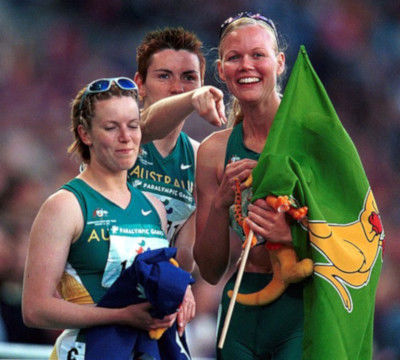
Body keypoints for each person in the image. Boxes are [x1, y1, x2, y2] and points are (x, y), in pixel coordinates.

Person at [22, 77, 192, 359]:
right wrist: (121, 315)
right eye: (111, 128)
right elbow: (35, 309)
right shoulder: (65, 205)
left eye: (133, 126)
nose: (126, 137)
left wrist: (180, 293)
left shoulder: (154, 207)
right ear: (85, 134)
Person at [192, 13, 304, 359]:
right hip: (241, 312)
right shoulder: (213, 152)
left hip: (303, 307)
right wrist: (220, 203)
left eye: (258, 55)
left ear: (279, 62)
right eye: (234, 57)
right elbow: (210, 271)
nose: (246, 65)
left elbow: (358, 233)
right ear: (222, 70)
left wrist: (292, 236)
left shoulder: (314, 137)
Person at [129, 27, 226, 277]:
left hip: (153, 301)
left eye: (188, 78)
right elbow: (148, 125)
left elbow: (185, 262)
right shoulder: (121, 134)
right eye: (164, 76)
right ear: (140, 84)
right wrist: (191, 98)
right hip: (99, 297)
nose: (177, 88)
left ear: (202, 85)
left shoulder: (198, 157)